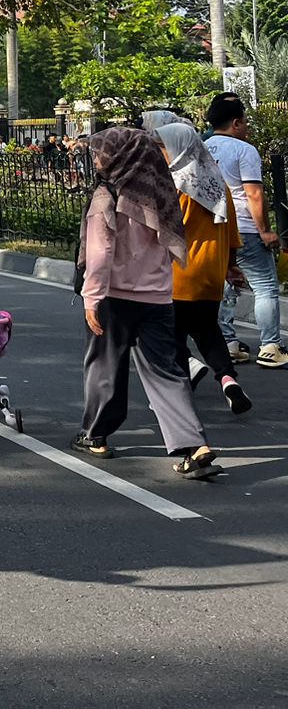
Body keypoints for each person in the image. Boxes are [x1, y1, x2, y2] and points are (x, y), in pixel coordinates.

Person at [75, 128, 223, 479]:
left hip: (114, 296)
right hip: (158, 296)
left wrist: (91, 298)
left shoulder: (106, 195)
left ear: (120, 156)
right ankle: (193, 445)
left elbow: (100, 253)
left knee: (104, 366)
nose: (96, 159)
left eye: (101, 153)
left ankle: (96, 435)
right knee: (166, 372)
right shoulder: (160, 189)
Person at [152, 120, 252, 415]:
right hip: (211, 272)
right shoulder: (216, 180)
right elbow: (231, 230)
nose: (160, 154)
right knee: (208, 331)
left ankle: (186, 378)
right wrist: (230, 268)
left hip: (178, 272)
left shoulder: (175, 184)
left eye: (162, 148)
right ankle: (228, 380)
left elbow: (164, 230)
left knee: (168, 335)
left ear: (176, 148)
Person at [204, 92, 283, 367]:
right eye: (246, 122)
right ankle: (270, 346)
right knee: (265, 287)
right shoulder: (243, 150)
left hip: (214, 227)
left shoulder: (202, 148)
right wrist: (266, 231)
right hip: (246, 227)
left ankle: (229, 343)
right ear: (236, 122)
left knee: (227, 284)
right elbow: (254, 195)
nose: (247, 127)